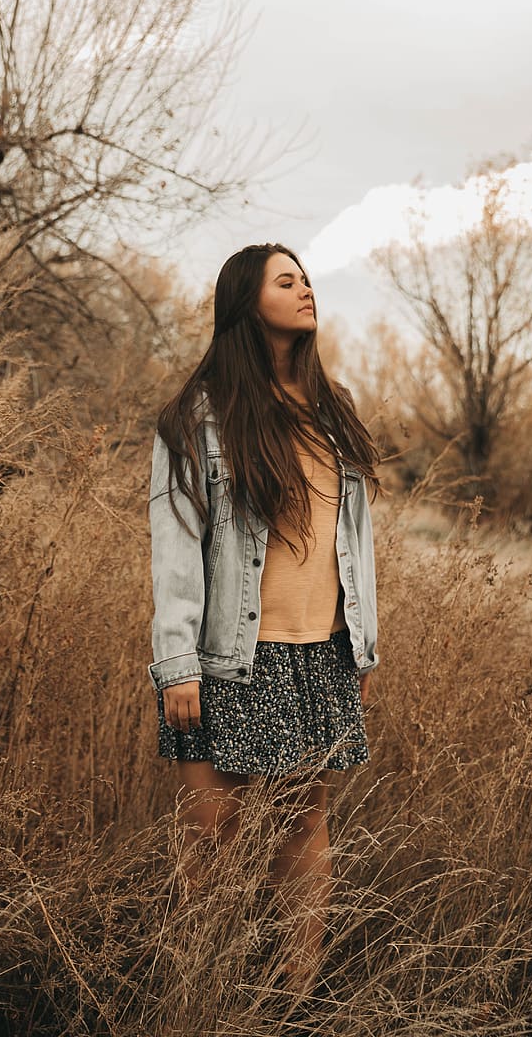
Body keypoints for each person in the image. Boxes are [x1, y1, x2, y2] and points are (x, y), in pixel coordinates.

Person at [148, 242, 381, 991]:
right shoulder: (196, 419)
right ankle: (203, 990)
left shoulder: (330, 410)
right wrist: (177, 664)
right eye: (288, 280)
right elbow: (177, 550)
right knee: (210, 834)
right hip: (227, 658)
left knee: (303, 828)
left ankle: (294, 992)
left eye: (308, 277)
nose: (307, 288)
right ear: (249, 303)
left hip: (319, 653)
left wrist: (362, 650)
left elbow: (357, 543)